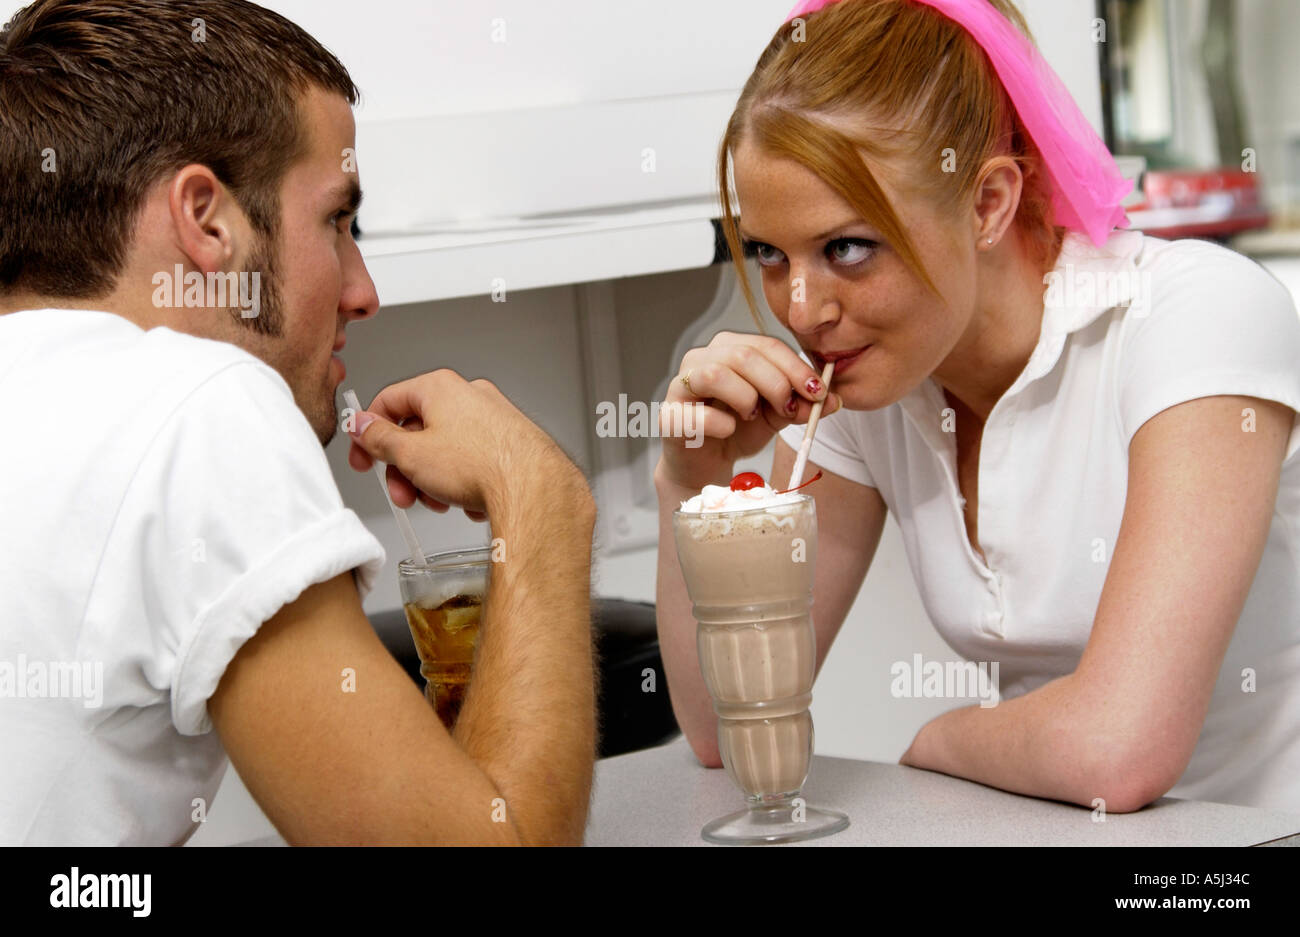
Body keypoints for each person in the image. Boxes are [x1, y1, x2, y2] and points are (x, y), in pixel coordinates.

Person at [655, 0, 1300, 814]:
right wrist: (689, 483)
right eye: (769, 254)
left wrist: (934, 745)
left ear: (988, 203)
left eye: (847, 247)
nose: (801, 307)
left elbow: (1118, 751)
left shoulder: (1195, 318)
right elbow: (722, 727)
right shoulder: (866, 383)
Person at [0, 0, 597, 845]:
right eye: (338, 221)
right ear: (206, 219)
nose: (363, 290)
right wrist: (539, 491)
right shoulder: (198, 405)